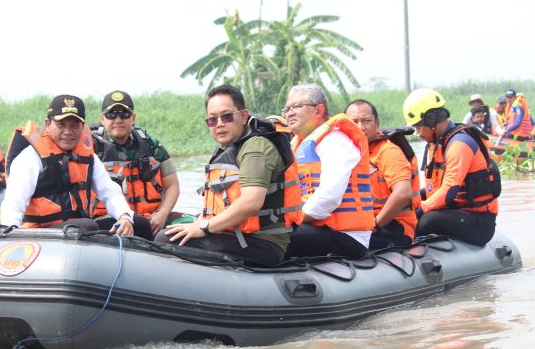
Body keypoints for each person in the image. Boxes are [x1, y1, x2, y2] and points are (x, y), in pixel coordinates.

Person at [157, 85, 302, 266]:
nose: (219, 124)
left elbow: (251, 202)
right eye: (212, 120)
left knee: (165, 239)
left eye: (226, 116)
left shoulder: (256, 147)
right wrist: (198, 222)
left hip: (263, 243)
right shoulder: (229, 147)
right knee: (171, 226)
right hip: (237, 234)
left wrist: (205, 227)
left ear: (243, 116)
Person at [0, 94, 142, 238]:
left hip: (77, 227)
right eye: (61, 125)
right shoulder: (30, 157)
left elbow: (109, 191)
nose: (68, 132)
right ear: (48, 124)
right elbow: (14, 202)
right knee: (87, 226)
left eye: (75, 126)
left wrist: (124, 217)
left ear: (83, 126)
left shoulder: (88, 156)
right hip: (40, 233)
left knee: (139, 223)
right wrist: (9, 232)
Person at [284, 83, 374, 259]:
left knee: (274, 238)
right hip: (315, 226)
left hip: (345, 236)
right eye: (287, 109)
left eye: (297, 106)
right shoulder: (296, 145)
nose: (290, 113)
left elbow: (329, 196)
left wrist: (291, 220)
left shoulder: (336, 141)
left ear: (318, 110)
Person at [403, 88, 499, 245]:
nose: (419, 134)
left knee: (428, 220)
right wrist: (406, 203)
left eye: (419, 127)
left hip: (478, 221)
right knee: (409, 206)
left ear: (431, 120)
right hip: (455, 212)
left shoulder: (459, 145)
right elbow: (431, 190)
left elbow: (448, 192)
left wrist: (418, 211)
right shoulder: (439, 143)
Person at [91, 90, 181, 237]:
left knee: (190, 222)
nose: (118, 119)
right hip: (110, 219)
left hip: (153, 217)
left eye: (124, 114)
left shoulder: (152, 146)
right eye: (111, 114)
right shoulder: (91, 148)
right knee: (139, 224)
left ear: (133, 118)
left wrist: (162, 214)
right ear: (102, 118)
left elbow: (172, 185)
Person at [344, 100, 420, 249]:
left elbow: (403, 193)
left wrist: (376, 224)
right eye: (354, 122)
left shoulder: (388, 152)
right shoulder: (346, 153)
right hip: (359, 222)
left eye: (366, 121)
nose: (360, 127)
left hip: (392, 226)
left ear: (377, 123)